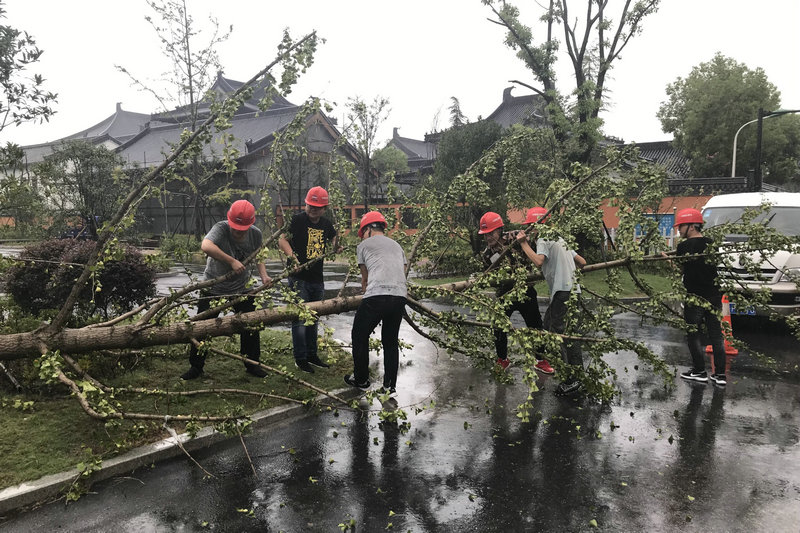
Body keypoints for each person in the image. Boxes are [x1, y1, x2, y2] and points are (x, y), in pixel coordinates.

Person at [181, 199, 272, 380]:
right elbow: (206, 246)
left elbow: (259, 254)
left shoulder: (255, 234)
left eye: (242, 229)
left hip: (242, 287)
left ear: (250, 224)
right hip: (213, 286)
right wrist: (231, 261)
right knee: (202, 327)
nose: (238, 231)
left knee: (251, 324)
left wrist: (264, 276)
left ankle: (252, 363)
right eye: (236, 228)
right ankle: (196, 367)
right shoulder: (221, 228)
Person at [516, 207, 587, 396]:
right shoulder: (561, 239)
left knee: (561, 335)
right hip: (573, 291)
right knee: (549, 326)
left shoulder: (544, 238)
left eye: (531, 226)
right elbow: (582, 262)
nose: (530, 231)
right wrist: (565, 269)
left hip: (562, 292)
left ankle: (572, 379)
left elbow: (539, 261)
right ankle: (569, 372)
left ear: (537, 225)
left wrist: (523, 244)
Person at [477, 211, 554, 375]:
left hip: (525, 289)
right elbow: (490, 275)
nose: (488, 237)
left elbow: (537, 246)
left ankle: (540, 360)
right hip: (505, 294)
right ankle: (502, 359)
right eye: (485, 235)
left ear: (499, 230)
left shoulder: (516, 237)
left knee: (535, 326)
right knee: (499, 326)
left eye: (490, 233)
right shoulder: (487, 255)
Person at [344, 211, 407, 393]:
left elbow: (365, 278)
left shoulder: (363, 245)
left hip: (377, 295)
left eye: (362, 233)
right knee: (390, 341)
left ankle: (361, 379)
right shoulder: (397, 245)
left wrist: (366, 290)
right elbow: (403, 270)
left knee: (359, 334)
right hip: (399, 295)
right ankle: (389, 386)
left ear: (368, 229)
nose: (363, 237)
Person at [278, 186, 338, 373]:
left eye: (317, 207)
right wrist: (293, 258)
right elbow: (282, 240)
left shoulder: (326, 224)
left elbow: (334, 238)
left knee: (314, 318)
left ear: (324, 208)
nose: (313, 209)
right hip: (299, 278)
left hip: (317, 279)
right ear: (305, 204)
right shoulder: (297, 220)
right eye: (310, 205)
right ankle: (301, 358)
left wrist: (336, 245)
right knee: (300, 319)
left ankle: (312, 355)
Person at [668, 208, 727, 386]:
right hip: (714, 295)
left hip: (695, 296)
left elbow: (681, 270)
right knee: (716, 335)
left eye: (681, 227)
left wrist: (668, 261)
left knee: (693, 334)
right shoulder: (711, 244)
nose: (679, 230)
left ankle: (699, 371)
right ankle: (720, 375)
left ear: (692, 226)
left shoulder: (684, 247)